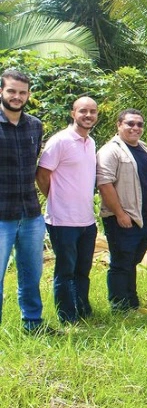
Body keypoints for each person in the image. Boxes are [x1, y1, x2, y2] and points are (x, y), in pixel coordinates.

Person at [36, 96, 99, 324]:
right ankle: (67, 317)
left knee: (83, 270)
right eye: (83, 111)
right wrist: (57, 198)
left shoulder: (90, 143)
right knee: (65, 271)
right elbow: (42, 175)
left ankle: (83, 309)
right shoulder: (60, 141)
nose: (88, 115)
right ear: (73, 113)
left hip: (87, 221)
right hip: (62, 221)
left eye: (93, 111)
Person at [0, 69, 50, 333]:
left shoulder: (35, 125)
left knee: (32, 274)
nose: (17, 97)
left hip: (30, 213)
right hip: (1, 215)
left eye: (22, 92)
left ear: (28, 94)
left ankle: (33, 323)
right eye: (11, 91)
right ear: (1, 92)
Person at [97, 109, 147, 312]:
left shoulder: (143, 149)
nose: (135, 128)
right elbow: (104, 184)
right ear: (119, 125)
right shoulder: (111, 151)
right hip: (122, 218)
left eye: (139, 124)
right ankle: (119, 306)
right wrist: (120, 213)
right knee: (121, 263)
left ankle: (132, 303)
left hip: (144, 217)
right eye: (130, 123)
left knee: (132, 261)